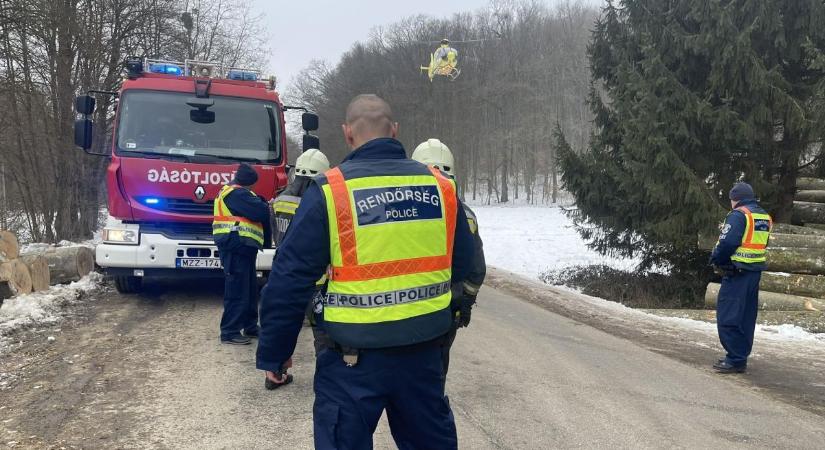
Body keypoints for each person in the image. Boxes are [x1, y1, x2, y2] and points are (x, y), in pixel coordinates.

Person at [256, 94, 474, 449]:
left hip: (350, 362)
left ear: (347, 134)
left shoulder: (331, 191)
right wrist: (447, 324)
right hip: (422, 357)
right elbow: (465, 268)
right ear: (395, 130)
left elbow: (289, 279)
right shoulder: (442, 188)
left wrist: (276, 352)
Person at [411, 138, 486, 376]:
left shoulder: (398, 211)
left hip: (402, 311)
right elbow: (476, 268)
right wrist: (465, 302)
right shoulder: (467, 215)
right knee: (435, 372)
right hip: (445, 311)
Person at [270, 148, 331, 355]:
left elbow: (274, 233)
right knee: (321, 330)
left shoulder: (278, 200)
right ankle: (323, 370)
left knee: (283, 326)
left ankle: (277, 370)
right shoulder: (320, 203)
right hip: (316, 279)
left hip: (284, 274)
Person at [710, 182, 772, 373]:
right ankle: (740, 357)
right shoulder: (763, 216)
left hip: (736, 272)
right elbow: (763, 242)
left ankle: (735, 359)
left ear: (734, 199)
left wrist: (716, 258)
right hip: (754, 273)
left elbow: (728, 242)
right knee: (746, 317)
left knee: (728, 315)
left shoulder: (739, 215)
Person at [212, 163, 272, 345]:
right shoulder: (236, 194)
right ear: (249, 183)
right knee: (237, 290)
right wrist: (265, 204)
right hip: (235, 246)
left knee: (249, 289)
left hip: (242, 247)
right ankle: (229, 332)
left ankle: (250, 326)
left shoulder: (236, 192)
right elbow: (261, 211)